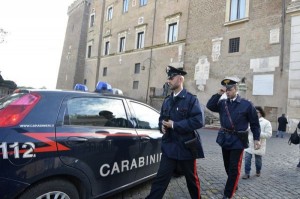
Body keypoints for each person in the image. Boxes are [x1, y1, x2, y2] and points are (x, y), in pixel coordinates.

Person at [146, 66, 204, 199]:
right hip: (170, 147)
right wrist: (162, 126)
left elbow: (198, 121)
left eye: (171, 78)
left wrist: (175, 125)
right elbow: (161, 119)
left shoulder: (191, 99)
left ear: (180, 78)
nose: (168, 81)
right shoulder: (167, 101)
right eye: (168, 78)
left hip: (186, 147)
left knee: (192, 180)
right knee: (160, 180)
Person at [206, 76, 261, 199]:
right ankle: (234, 184)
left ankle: (228, 193)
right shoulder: (222, 103)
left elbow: (254, 123)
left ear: (235, 88)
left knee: (234, 167)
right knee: (227, 165)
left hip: (238, 140)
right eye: (226, 89)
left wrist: (257, 139)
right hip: (225, 138)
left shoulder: (247, 105)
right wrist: (218, 94)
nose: (227, 91)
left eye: (229, 89)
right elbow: (210, 106)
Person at [242, 106, 272, 179]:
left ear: (261, 113)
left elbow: (268, 134)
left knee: (258, 160)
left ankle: (258, 171)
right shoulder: (249, 121)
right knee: (247, 159)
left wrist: (257, 133)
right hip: (249, 143)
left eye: (256, 112)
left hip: (259, 144)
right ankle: (247, 173)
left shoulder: (266, 122)